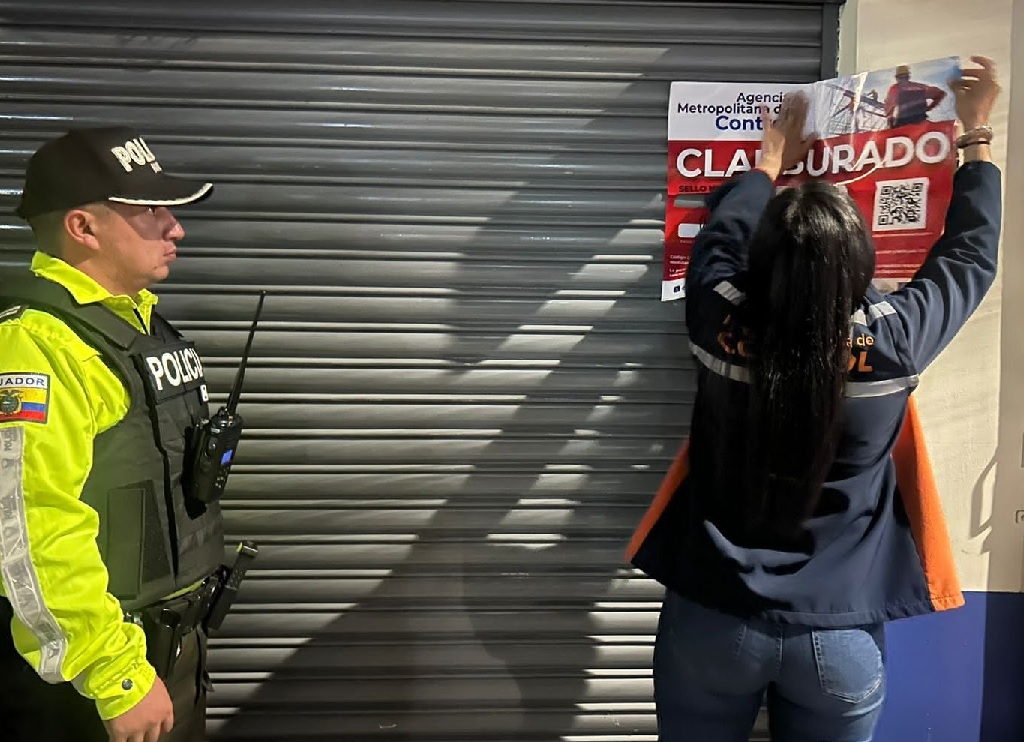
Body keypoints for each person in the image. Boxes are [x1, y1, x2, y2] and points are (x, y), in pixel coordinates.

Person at [627, 56, 1001, 741]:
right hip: (840, 636)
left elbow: (718, 243)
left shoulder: (719, 317)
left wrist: (769, 161)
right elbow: (971, 258)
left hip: (714, 620)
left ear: (762, 260)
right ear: (859, 264)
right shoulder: (895, 340)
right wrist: (974, 139)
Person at [0, 126, 232, 742]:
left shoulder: (139, 324)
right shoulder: (38, 343)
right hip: (95, 679)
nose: (174, 228)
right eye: (151, 211)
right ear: (84, 227)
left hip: (166, 648)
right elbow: (30, 524)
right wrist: (116, 675)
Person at [884, 63, 948, 128]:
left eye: (903, 77)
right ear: (908, 77)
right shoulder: (920, 87)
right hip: (921, 123)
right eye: (901, 77)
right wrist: (929, 107)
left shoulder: (895, 89)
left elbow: (888, 105)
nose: (902, 79)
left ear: (897, 78)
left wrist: (890, 120)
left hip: (903, 124)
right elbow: (941, 93)